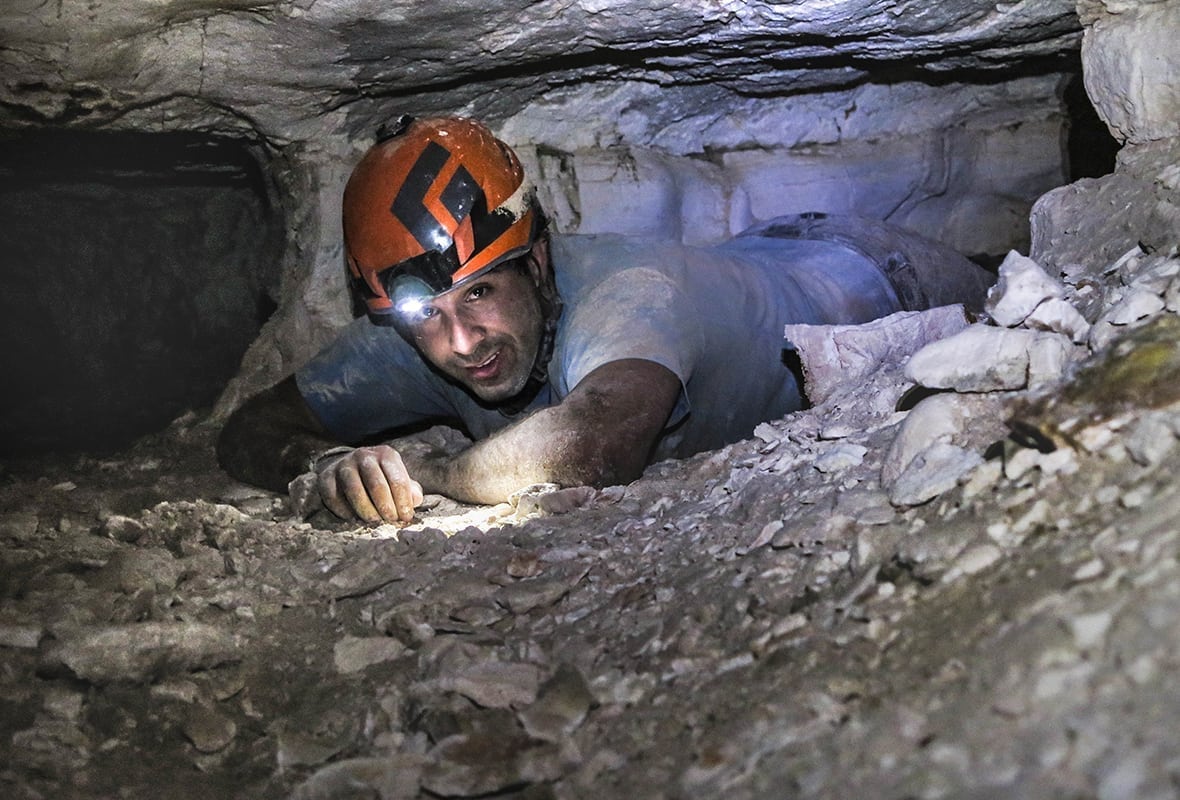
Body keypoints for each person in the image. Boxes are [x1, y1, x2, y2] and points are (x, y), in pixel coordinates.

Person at [216, 115, 993, 524]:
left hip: (866, 267)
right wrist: (320, 464)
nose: (460, 342)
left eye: (482, 293)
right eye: (431, 316)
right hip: (749, 262)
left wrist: (433, 472)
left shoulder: (627, 296)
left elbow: (595, 442)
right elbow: (250, 428)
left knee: (1016, 298)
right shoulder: (419, 330)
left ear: (539, 260)